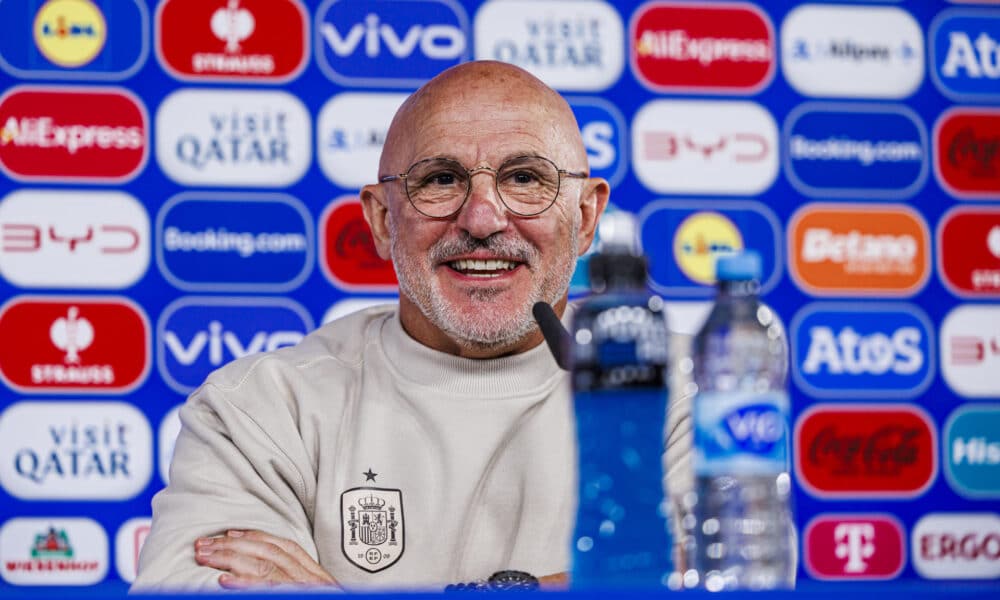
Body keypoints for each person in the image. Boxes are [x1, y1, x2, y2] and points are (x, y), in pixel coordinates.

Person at [132, 60, 610, 592]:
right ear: (382, 220)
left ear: (585, 218)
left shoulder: (682, 394)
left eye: (524, 179)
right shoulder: (262, 408)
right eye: (441, 180)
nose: (481, 219)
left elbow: (705, 579)